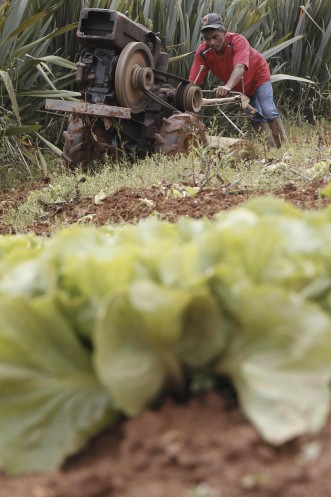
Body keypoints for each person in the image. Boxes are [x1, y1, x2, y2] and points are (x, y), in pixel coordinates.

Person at [189, 13, 287, 148]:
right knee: (254, 116)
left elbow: (240, 66)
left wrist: (227, 86)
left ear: (224, 32)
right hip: (240, 86)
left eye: (215, 37)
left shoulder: (238, 41)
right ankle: (271, 148)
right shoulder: (203, 52)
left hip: (258, 77)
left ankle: (283, 146)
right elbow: (194, 80)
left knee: (267, 110)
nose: (211, 42)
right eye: (207, 39)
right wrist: (190, 96)